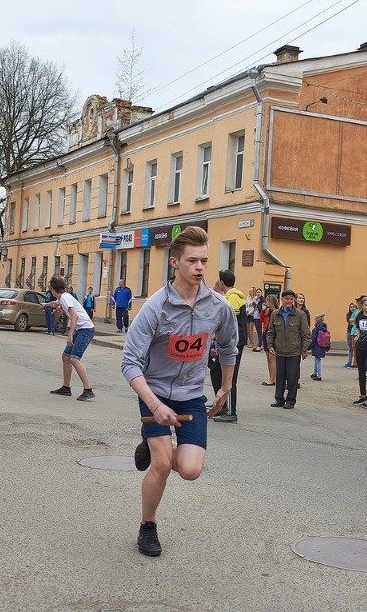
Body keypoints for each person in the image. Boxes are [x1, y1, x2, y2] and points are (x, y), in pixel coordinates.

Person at [121, 226, 237, 557]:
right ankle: (148, 526)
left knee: (190, 469)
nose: (200, 267)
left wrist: (225, 387)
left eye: (204, 260)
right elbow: (130, 364)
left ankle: (151, 442)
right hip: (154, 392)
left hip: (190, 396)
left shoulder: (218, 307)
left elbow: (230, 346)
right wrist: (155, 405)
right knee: (160, 464)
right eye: (192, 260)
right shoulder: (155, 308)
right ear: (175, 262)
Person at [46, 276, 96, 400]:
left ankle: (88, 389)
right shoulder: (62, 298)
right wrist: (45, 304)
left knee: (74, 359)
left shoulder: (65, 298)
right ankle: (66, 388)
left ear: (52, 288)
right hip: (81, 329)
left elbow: (74, 316)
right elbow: (54, 303)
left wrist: (70, 335)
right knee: (66, 357)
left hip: (86, 329)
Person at [209, 270, 245, 423]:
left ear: (222, 282)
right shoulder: (231, 297)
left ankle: (231, 412)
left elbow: (229, 325)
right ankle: (221, 404)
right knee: (216, 372)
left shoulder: (232, 298)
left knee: (230, 378)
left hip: (234, 343)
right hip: (231, 342)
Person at [265, 289, 310, 409]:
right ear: (282, 300)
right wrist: (270, 346)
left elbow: (306, 334)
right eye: (287, 299)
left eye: (291, 299)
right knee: (280, 377)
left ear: (293, 300)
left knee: (292, 377)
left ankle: (290, 400)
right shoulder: (275, 314)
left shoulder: (300, 315)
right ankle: (279, 399)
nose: (289, 301)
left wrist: (304, 350)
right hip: (279, 351)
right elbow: (270, 332)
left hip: (294, 352)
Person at [260, 294, 280, 385]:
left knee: (272, 358)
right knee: (268, 358)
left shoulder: (276, 312)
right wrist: (263, 311)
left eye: (267, 301)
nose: (266, 303)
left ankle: (272, 379)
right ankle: (271, 377)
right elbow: (261, 320)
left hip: (272, 335)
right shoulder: (267, 311)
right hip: (266, 333)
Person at [309, 313, 330, 381]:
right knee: (317, 359)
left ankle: (318, 375)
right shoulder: (324, 329)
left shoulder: (316, 329)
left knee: (317, 360)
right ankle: (315, 373)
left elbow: (313, 339)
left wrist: (309, 346)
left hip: (316, 346)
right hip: (322, 346)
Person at [345, 298, 362, 368]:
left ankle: (356, 363)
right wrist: (354, 320)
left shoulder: (361, 311)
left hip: (357, 332)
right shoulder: (356, 311)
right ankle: (352, 362)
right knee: (353, 348)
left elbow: (355, 321)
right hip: (352, 331)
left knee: (356, 348)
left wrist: (354, 320)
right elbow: (351, 321)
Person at [344, 301, 358, 367]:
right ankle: (349, 362)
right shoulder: (348, 314)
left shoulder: (358, 313)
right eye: (351, 307)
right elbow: (350, 321)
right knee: (350, 348)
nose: (352, 308)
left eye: (353, 307)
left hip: (355, 332)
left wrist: (353, 321)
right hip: (349, 331)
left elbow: (354, 322)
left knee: (355, 348)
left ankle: (355, 362)